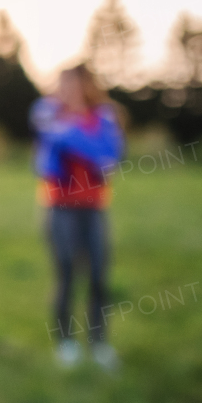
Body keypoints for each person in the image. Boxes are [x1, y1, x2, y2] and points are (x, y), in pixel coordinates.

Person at [31, 63, 124, 371]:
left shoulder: (102, 116)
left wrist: (68, 136)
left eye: (73, 84)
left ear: (87, 85)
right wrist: (86, 143)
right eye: (63, 84)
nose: (67, 90)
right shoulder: (48, 115)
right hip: (60, 207)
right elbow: (44, 165)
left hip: (94, 207)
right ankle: (65, 343)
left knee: (98, 276)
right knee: (66, 274)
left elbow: (110, 156)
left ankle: (99, 343)